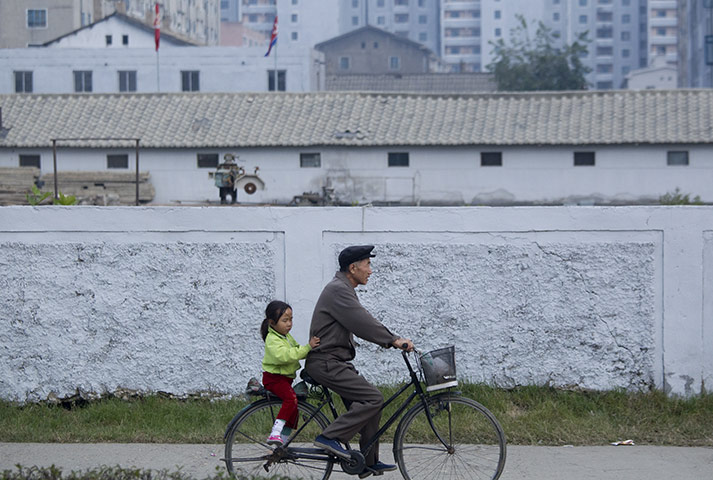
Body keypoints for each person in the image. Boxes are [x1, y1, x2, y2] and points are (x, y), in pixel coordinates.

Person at [305, 245, 414, 479]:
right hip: (326, 362)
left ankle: (367, 462)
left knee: (371, 403)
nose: (370, 271)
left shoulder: (343, 288)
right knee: (373, 398)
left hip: (336, 362)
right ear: (353, 268)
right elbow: (362, 322)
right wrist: (393, 340)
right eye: (367, 265)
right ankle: (329, 437)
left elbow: (361, 320)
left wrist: (391, 339)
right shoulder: (338, 290)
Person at [261, 300, 320, 445]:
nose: (289, 324)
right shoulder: (272, 339)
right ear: (272, 322)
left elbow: (297, 349)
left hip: (285, 379)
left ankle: (283, 440)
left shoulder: (286, 336)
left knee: (294, 410)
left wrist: (311, 351)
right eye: (285, 320)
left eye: (291, 319)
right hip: (274, 379)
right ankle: (275, 433)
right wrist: (307, 348)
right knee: (290, 400)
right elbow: (287, 356)